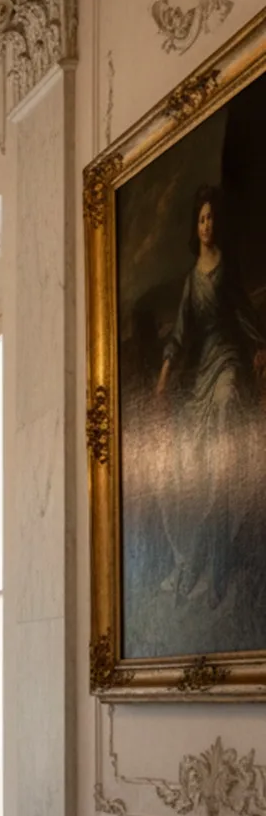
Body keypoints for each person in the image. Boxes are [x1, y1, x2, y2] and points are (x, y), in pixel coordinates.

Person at [154, 185, 266, 609]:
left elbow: (242, 310)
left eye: (212, 218)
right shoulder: (189, 281)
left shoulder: (227, 268)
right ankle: (192, 553)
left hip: (229, 358)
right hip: (201, 370)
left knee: (229, 398)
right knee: (187, 455)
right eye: (201, 219)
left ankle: (227, 482)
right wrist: (164, 378)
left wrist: (259, 346)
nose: (207, 225)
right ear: (194, 226)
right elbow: (180, 334)